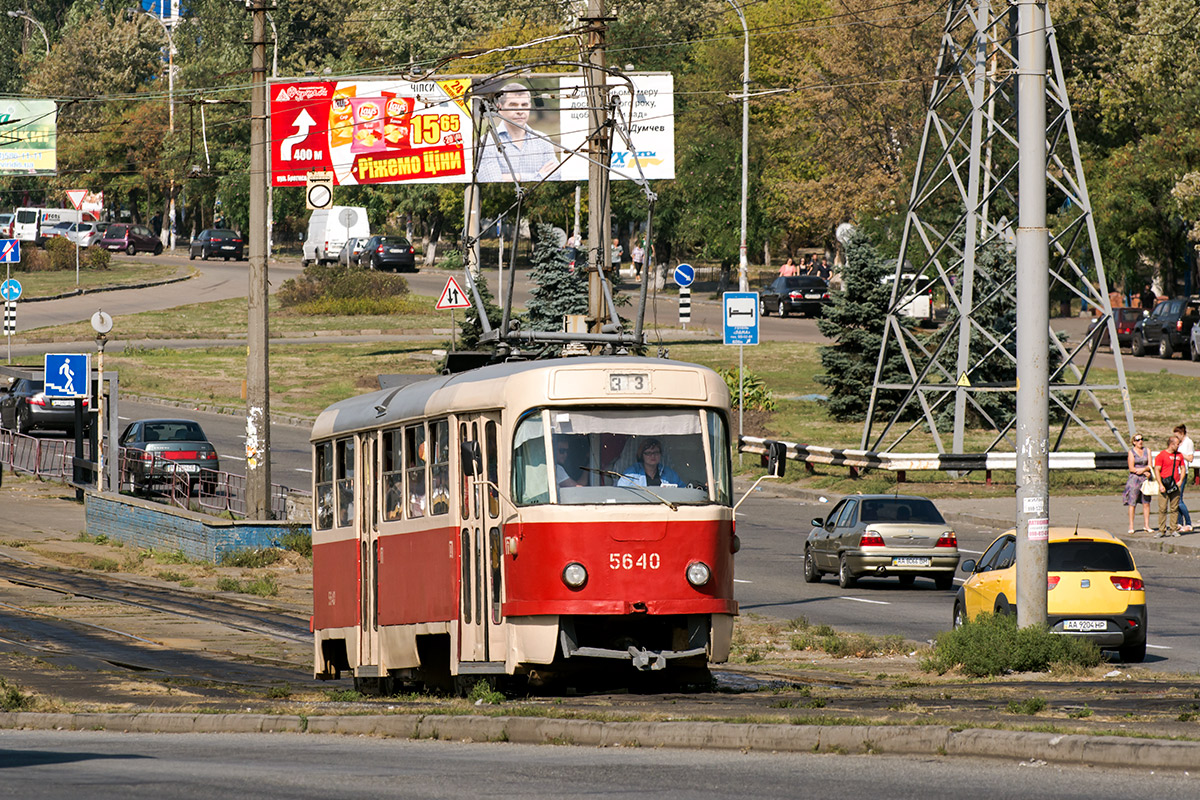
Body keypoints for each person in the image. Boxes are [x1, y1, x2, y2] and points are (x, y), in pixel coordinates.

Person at [476, 83, 560, 183]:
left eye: (524, 105)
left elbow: (557, 177)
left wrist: (512, 177)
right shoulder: (487, 141)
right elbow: (490, 181)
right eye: (513, 105)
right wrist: (539, 175)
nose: (520, 110)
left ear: (530, 106)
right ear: (499, 108)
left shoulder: (543, 140)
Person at [1154, 434, 1186, 537]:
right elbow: (1157, 470)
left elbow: (1183, 468)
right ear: (1171, 444)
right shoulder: (1161, 455)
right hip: (1164, 484)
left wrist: (1180, 480)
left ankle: (1173, 529)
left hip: (1175, 484)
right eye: (1177, 444)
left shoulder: (1179, 455)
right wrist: (1160, 484)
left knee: (1174, 508)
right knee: (1162, 508)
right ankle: (1161, 530)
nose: (1178, 446)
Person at [1123, 434, 1153, 533]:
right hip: (1135, 478)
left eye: (1142, 439)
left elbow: (1150, 465)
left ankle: (1147, 525)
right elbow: (1131, 467)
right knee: (1132, 503)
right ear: (1134, 442)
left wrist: (1144, 470)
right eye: (1138, 440)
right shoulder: (1131, 452)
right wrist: (1140, 471)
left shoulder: (1147, 451)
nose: (1140, 441)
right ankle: (1131, 526)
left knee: (1146, 502)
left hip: (1145, 478)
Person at [1176, 424, 1194, 533]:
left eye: (1177, 435)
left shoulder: (1188, 442)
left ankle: (1188, 522)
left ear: (1182, 433)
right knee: (1176, 499)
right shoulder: (1179, 443)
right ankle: (1179, 522)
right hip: (1175, 472)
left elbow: (1190, 458)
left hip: (1183, 472)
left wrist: (1180, 454)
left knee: (1179, 499)